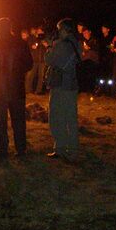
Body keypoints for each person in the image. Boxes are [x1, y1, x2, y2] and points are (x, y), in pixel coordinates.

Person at [0, 18, 33, 161]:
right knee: (18, 121)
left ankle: (2, 151)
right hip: (16, 89)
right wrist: (18, 71)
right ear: (10, 28)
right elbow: (29, 64)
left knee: (1, 122)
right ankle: (21, 149)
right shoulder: (20, 43)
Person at [45, 18, 82, 161]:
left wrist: (50, 47)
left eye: (59, 29)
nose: (58, 32)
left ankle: (62, 148)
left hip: (61, 86)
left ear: (65, 29)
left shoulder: (63, 45)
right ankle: (70, 149)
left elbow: (50, 60)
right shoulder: (75, 43)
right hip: (71, 85)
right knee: (70, 118)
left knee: (56, 117)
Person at [25, 26, 47, 95]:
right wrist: (33, 46)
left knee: (41, 76)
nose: (40, 32)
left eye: (41, 31)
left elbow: (48, 47)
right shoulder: (32, 38)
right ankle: (27, 89)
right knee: (31, 75)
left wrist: (46, 44)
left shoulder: (44, 39)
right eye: (39, 31)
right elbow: (29, 46)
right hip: (34, 59)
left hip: (42, 60)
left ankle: (38, 90)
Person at [80, 27, 100, 93]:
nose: (85, 34)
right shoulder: (82, 41)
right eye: (83, 33)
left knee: (92, 76)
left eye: (86, 32)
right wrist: (83, 51)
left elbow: (97, 49)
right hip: (84, 61)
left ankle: (93, 90)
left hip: (92, 61)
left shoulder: (94, 40)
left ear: (89, 32)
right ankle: (85, 90)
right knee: (84, 75)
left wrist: (89, 48)